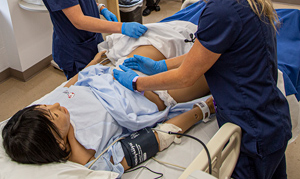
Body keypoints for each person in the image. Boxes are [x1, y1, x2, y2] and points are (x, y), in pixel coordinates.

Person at [113, 0, 292, 179]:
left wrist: (139, 82)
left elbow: (187, 76)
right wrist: (161, 65)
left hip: (253, 126)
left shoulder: (222, 10)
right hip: (270, 115)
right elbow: (205, 55)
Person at [2, 48, 215, 178]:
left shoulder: (41, 115)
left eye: (47, 107)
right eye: (53, 115)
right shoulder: (96, 161)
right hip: (154, 94)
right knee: (213, 63)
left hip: (117, 73)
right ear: (58, 143)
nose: (56, 106)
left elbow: (66, 87)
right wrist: (203, 109)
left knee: (164, 40)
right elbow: (159, 137)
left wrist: (93, 64)